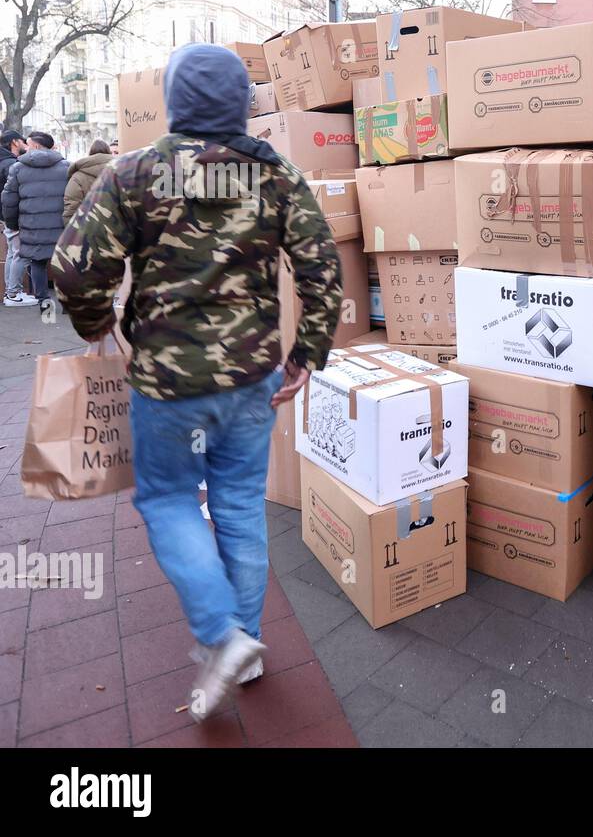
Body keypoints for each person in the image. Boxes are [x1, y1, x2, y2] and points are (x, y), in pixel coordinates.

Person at [52, 44, 343, 722]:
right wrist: (306, 356)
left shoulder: (136, 172)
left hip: (168, 383)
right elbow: (323, 269)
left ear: (177, 103)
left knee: (169, 501)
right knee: (240, 508)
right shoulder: (276, 176)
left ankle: (222, 635)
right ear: (241, 103)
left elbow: (73, 270)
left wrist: (103, 327)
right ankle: (247, 645)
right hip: (252, 378)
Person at [2, 131, 68, 306]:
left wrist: (12, 224)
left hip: (30, 226)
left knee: (37, 262)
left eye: (29, 144)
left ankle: (44, 302)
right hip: (59, 225)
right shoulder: (66, 167)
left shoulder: (18, 168)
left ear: (37, 146)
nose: (26, 147)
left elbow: (9, 200)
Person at [1, 131, 37, 307]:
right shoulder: (11, 165)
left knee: (12, 253)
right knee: (20, 253)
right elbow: (15, 193)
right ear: (15, 142)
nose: (25, 143)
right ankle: (13, 294)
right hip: (14, 215)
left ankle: (11, 291)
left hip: (6, 215)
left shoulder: (5, 162)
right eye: (23, 140)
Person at [63, 139, 114, 225]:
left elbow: (71, 209)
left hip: (88, 230)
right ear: (108, 152)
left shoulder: (77, 177)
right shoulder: (120, 171)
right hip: (117, 228)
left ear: (90, 153)